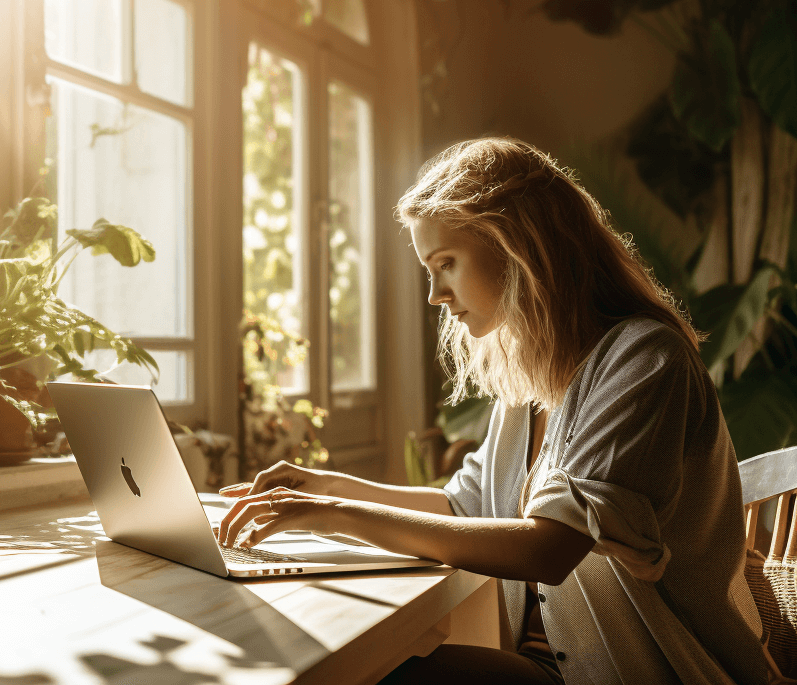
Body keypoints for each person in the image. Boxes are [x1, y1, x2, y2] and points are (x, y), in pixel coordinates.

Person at [215, 138, 772, 684]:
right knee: (362, 671)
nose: (435, 293)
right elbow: (464, 505)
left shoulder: (646, 360)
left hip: (657, 674)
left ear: (520, 246)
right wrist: (326, 488)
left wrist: (334, 517)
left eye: (447, 263)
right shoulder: (531, 385)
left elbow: (550, 547)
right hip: (547, 670)